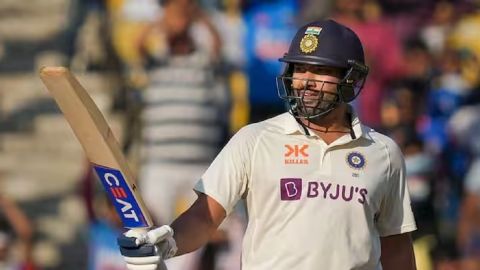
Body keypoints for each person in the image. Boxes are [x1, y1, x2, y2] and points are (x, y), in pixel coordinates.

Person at [117, 19, 417, 270]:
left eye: (320, 70)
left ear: (349, 80)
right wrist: (167, 242)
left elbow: (397, 249)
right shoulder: (255, 139)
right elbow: (204, 218)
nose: (305, 80)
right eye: (299, 69)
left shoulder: (382, 152)